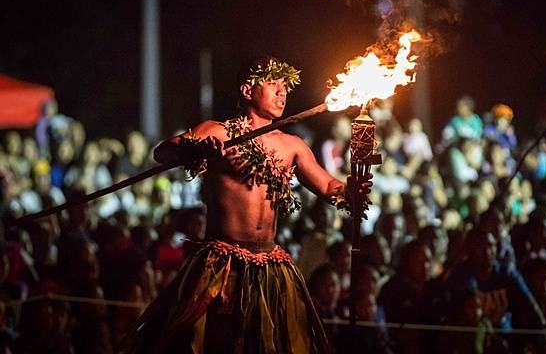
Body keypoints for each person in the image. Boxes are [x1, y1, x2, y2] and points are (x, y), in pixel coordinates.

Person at [125, 56, 369, 354]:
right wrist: (194, 148)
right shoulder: (217, 133)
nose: (283, 92)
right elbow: (163, 153)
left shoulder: (292, 146)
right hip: (222, 266)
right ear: (247, 90)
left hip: (271, 266)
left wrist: (351, 192)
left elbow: (327, 186)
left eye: (285, 87)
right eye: (273, 84)